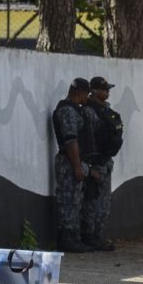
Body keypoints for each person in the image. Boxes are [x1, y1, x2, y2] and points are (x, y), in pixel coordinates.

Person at [51, 78, 97, 253]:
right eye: (87, 93)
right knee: (67, 200)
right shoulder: (67, 111)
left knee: (75, 201)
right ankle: (66, 238)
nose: (89, 97)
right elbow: (71, 142)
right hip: (68, 162)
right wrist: (77, 166)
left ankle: (73, 236)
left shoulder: (76, 110)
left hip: (75, 161)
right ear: (80, 93)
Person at [80, 76, 124, 252]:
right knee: (92, 201)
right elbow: (88, 138)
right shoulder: (89, 111)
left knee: (103, 202)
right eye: (104, 89)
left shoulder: (106, 110)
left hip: (105, 161)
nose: (107, 92)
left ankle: (97, 234)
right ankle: (89, 235)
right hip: (95, 162)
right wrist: (89, 165)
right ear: (95, 91)